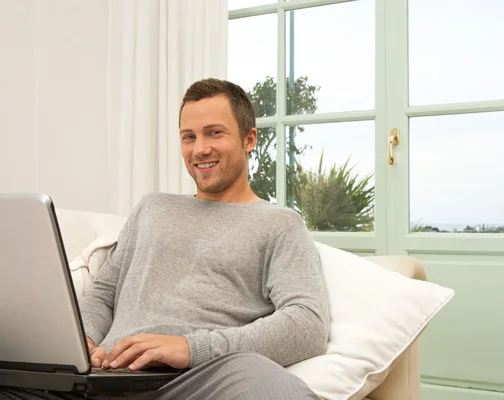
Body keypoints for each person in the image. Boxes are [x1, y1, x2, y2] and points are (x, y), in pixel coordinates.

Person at [0, 79, 330, 400]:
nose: (200, 149)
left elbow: (307, 322)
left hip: (195, 379)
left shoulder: (280, 224)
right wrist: (80, 341)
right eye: (189, 136)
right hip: (105, 377)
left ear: (249, 139)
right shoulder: (152, 207)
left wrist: (190, 347)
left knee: (265, 381)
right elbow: (103, 293)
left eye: (215, 132)